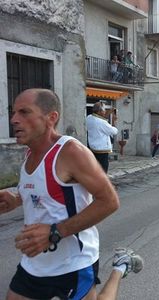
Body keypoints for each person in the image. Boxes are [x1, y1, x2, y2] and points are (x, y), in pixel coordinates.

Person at [0, 89, 121, 299]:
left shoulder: (71, 152)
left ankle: (119, 269)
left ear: (51, 118)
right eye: (13, 112)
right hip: (34, 263)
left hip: (73, 263)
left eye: (24, 112)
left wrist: (55, 232)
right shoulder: (30, 153)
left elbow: (109, 201)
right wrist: (15, 199)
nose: (14, 119)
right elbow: (41, 190)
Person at [86, 102, 118, 173]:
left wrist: (109, 112)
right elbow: (114, 131)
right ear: (99, 111)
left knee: (94, 168)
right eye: (104, 110)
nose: (105, 112)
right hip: (102, 150)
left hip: (92, 147)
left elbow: (101, 118)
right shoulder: (102, 123)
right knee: (103, 169)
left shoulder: (89, 118)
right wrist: (114, 122)